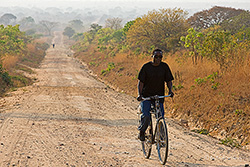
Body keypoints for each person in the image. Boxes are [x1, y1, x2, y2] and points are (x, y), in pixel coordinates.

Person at [137, 48, 174, 141]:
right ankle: (142, 132)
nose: (158, 58)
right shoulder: (146, 67)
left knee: (160, 116)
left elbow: (169, 81)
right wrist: (140, 95)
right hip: (147, 96)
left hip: (159, 96)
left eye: (160, 57)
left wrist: (170, 90)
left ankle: (161, 138)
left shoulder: (164, 67)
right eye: (156, 56)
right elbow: (140, 83)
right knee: (146, 116)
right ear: (152, 56)